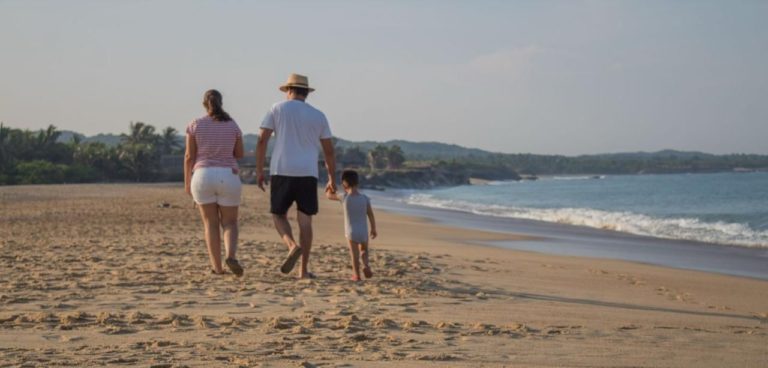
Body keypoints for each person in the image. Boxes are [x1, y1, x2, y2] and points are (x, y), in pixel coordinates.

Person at [256, 73, 337, 278]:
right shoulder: (319, 115)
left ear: (289, 90)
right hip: (308, 172)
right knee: (305, 221)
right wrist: (331, 178)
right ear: (306, 93)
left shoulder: (276, 109)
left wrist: (259, 170)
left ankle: (291, 245)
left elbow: (262, 140)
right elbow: (329, 151)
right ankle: (303, 270)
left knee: (278, 214)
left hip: (282, 170)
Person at [184, 89, 245, 277]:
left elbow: (189, 156)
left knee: (210, 223)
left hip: (202, 175)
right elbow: (239, 154)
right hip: (228, 175)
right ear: (221, 102)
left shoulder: (195, 124)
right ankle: (231, 255)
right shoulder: (232, 124)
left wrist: (187, 183)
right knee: (230, 222)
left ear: (205, 104)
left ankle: (217, 268)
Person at [326, 170, 377, 281]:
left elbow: (329, 195)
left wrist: (329, 186)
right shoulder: (365, 198)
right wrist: (373, 229)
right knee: (364, 250)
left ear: (344, 184)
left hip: (351, 232)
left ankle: (356, 275)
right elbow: (370, 214)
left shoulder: (344, 197)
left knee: (354, 255)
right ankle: (366, 265)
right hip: (363, 231)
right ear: (357, 183)